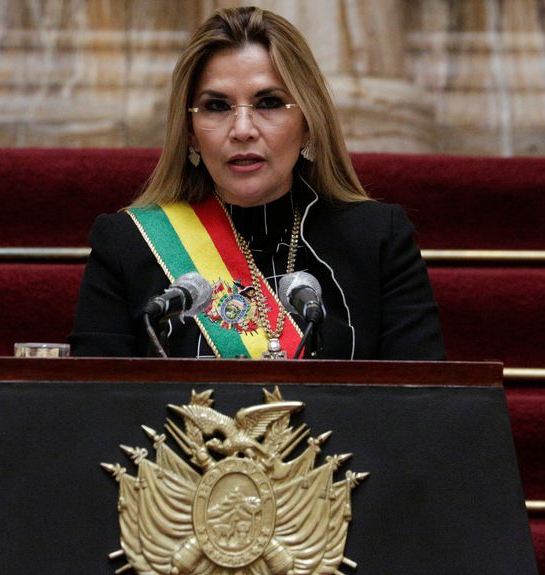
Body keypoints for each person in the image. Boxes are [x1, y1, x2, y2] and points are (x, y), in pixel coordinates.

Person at [70, 6, 445, 360]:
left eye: (268, 103)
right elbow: (94, 410)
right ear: (190, 133)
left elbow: (423, 406)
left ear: (309, 123)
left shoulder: (377, 240)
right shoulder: (129, 244)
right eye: (217, 106)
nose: (243, 130)